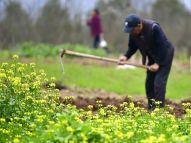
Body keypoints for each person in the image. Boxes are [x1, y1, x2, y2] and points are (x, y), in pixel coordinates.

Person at [118, 14, 174, 110]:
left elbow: (162, 46)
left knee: (158, 83)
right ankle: (151, 109)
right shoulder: (133, 33)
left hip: (164, 55)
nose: (131, 32)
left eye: (132, 29)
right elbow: (132, 47)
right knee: (149, 84)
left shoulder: (153, 28)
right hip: (152, 56)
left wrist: (158, 63)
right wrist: (125, 56)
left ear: (139, 25)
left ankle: (159, 111)